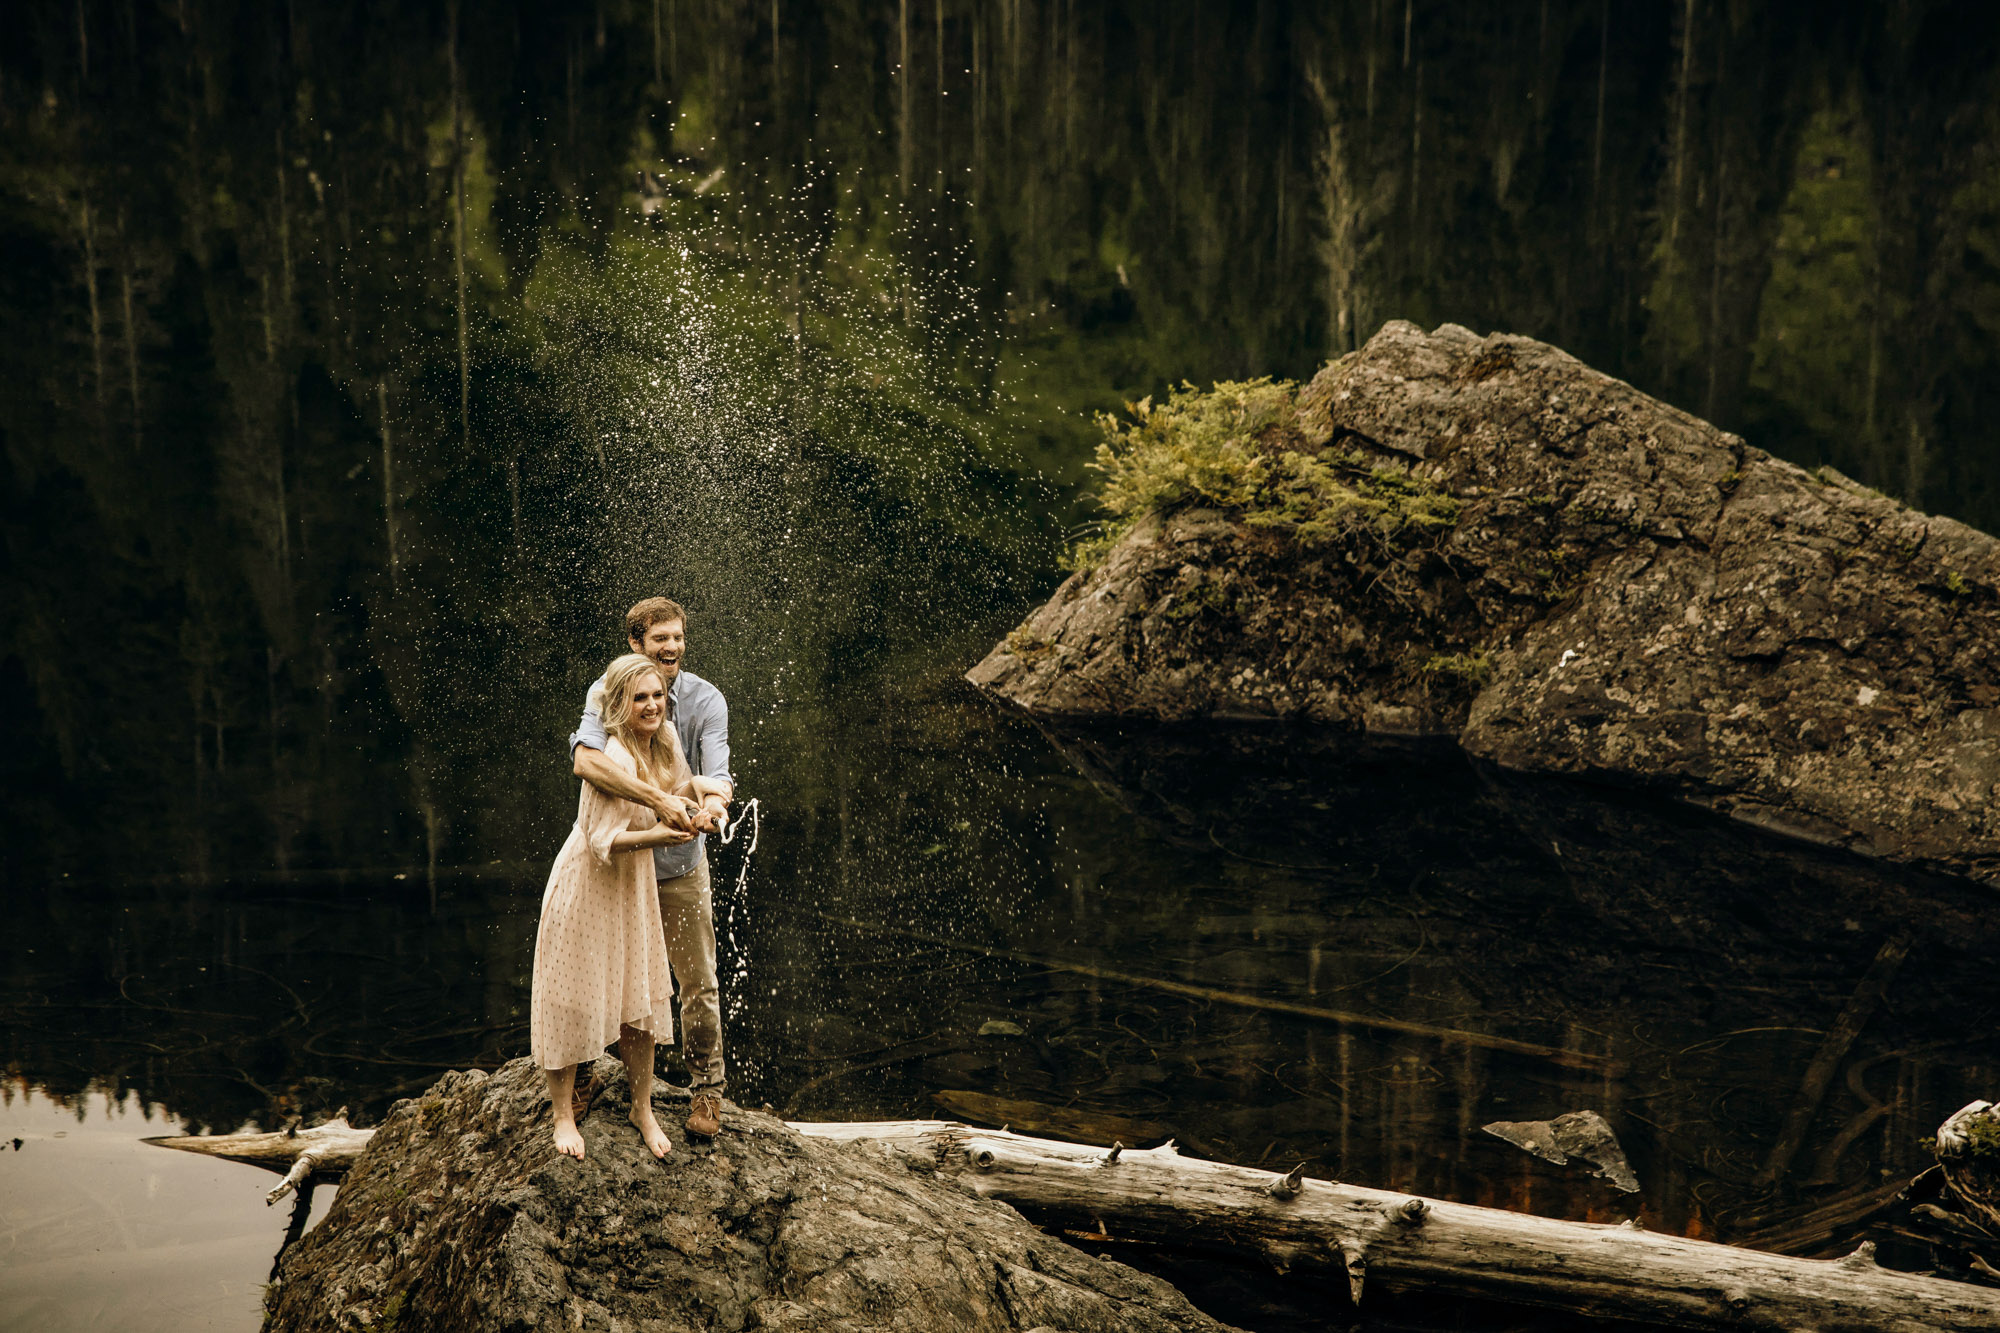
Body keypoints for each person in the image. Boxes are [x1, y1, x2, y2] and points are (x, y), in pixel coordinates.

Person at [530, 653, 728, 1161]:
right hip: (592, 884)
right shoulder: (614, 755)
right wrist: (662, 832)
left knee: (638, 999)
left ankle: (642, 1108)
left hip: (633, 887)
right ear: (619, 703)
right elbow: (602, 839)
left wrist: (706, 802)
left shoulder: (661, 742)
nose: (652, 705)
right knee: (573, 996)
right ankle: (562, 1116)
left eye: (657, 696)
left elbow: (677, 790)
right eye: (639, 698)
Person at [570, 597, 735, 1139]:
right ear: (636, 644)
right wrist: (661, 801)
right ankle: (589, 1074)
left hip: (680, 867)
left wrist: (711, 808)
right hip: (618, 863)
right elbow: (586, 762)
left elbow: (718, 773)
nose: (671, 647)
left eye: (678, 637)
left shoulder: (707, 700)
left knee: (697, 981)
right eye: (659, 639)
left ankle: (707, 1090)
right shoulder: (609, 692)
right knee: (605, 975)